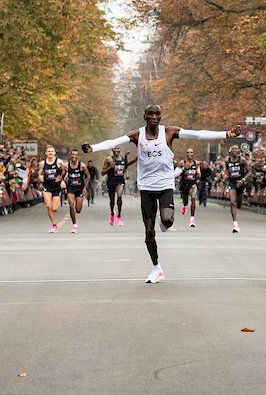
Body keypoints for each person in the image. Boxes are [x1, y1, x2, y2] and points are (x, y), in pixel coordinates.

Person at [83, 104, 239, 283]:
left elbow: (198, 134)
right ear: (145, 116)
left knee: (166, 220)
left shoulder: (169, 133)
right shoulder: (137, 135)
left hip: (165, 184)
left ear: (160, 116)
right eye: (150, 114)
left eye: (157, 114)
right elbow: (114, 142)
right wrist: (92, 148)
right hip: (146, 187)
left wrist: (227, 134)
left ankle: (165, 222)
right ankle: (156, 267)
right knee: (149, 232)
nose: (154, 117)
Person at [37, 145, 66, 233]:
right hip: (47, 186)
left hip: (56, 186)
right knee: (48, 205)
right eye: (49, 151)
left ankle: (54, 203)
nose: (50, 153)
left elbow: (66, 170)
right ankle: (54, 225)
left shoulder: (59, 162)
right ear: (46, 153)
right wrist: (40, 177)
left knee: (55, 209)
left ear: (54, 153)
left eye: (52, 151)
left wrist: (62, 179)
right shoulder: (42, 163)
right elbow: (40, 173)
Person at [104, 147, 134, 227]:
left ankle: (119, 216)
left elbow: (126, 166)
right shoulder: (108, 160)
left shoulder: (123, 159)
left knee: (119, 196)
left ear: (120, 150)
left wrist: (127, 174)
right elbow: (102, 172)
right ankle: (112, 213)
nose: (116, 150)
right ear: (112, 150)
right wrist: (110, 168)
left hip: (120, 181)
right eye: (114, 149)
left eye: (118, 149)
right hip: (111, 181)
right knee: (112, 201)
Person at [223, 145, 248, 233]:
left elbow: (249, 171)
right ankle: (235, 224)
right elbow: (226, 170)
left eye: (236, 149)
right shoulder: (227, 160)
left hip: (240, 183)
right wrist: (225, 175)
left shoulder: (242, 160)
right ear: (230, 151)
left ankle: (237, 211)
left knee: (238, 204)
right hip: (232, 183)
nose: (234, 150)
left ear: (238, 151)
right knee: (232, 202)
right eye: (233, 148)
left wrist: (243, 180)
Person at [64, 150, 89, 233]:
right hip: (70, 188)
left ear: (78, 156)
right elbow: (62, 175)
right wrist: (60, 180)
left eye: (76, 155)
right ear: (70, 155)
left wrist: (85, 187)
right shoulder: (67, 166)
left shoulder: (82, 165)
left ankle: (75, 211)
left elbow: (88, 176)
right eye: (73, 154)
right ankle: (74, 225)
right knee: (71, 205)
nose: (74, 156)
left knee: (78, 210)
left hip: (79, 189)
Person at [179, 148, 202, 227]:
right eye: (188, 152)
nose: (189, 154)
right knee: (185, 201)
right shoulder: (182, 162)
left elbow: (199, 173)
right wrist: (184, 168)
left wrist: (198, 174)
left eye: (191, 152)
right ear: (186, 154)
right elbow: (178, 172)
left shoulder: (196, 163)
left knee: (193, 198)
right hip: (184, 184)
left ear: (193, 154)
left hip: (193, 184)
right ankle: (184, 206)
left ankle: (192, 219)